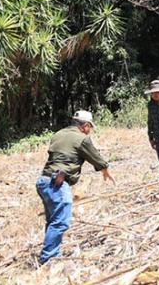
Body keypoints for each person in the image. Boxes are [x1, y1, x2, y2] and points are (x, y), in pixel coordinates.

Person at [36, 110, 114, 265]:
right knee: (60, 222)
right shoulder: (82, 139)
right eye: (89, 127)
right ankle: (48, 259)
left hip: (43, 181)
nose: (89, 130)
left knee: (53, 221)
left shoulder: (57, 134)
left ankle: (54, 253)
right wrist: (104, 169)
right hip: (58, 182)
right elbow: (94, 156)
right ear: (85, 126)